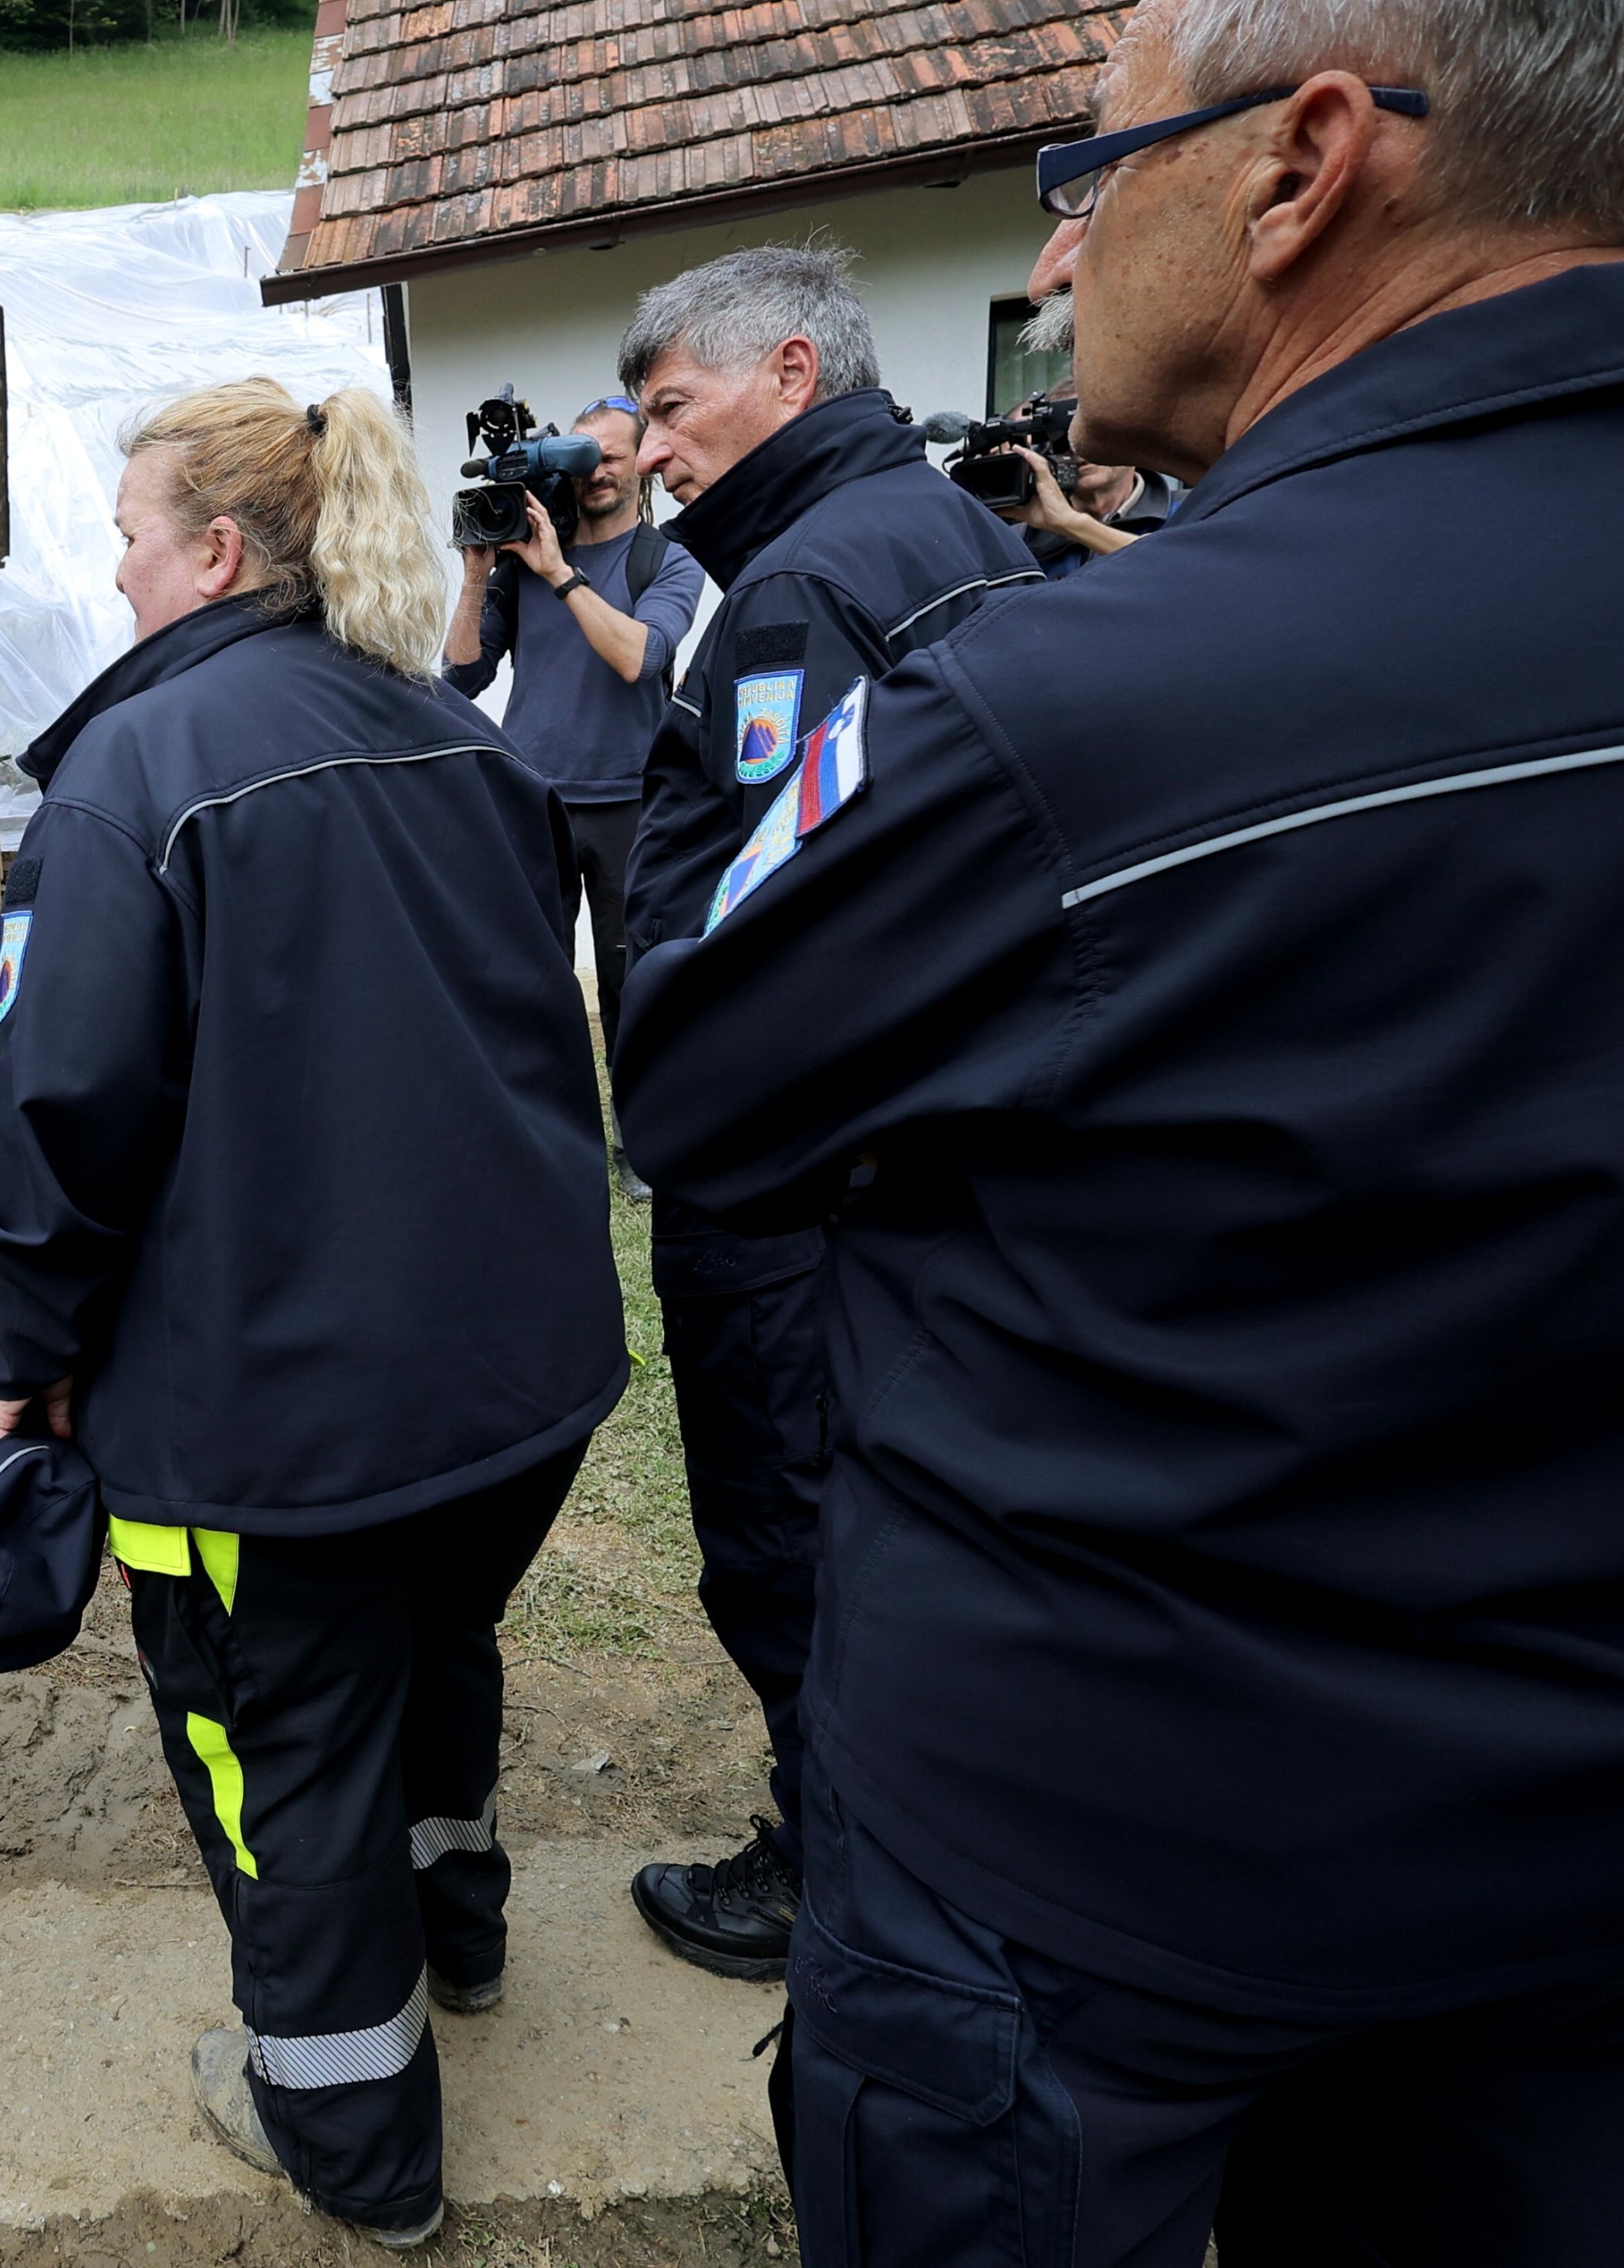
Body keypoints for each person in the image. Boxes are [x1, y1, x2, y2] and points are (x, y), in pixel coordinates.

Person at [615, 0, 1624, 2252]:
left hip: (1095, 1871)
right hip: (1607, 1854)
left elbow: (705, 1060)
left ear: (1302, 168)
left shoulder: (1060, 703)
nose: (1045, 267)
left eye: (1087, 175)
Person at [0, 379, 629, 2249]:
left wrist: (19, 1357)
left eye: (125, 532)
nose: (108, 566)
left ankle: (349, 2138)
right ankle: (461, 1944)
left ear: (220, 552)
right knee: (429, 1657)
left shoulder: (129, 777)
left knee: (287, 1749)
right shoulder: (451, 735)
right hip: (511, 1381)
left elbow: (57, 1120)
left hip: (279, 1421)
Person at [609, 242, 1040, 1986]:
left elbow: (774, 939)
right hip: (932, 1181)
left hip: (800, 1203)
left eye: (668, 406)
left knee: (792, 1546)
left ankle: (836, 1885)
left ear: (789, 374)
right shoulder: (953, 535)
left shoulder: (803, 588)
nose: (645, 453)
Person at [441, 395, 707, 1196]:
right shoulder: (522, 567)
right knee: (538, 980)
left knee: (633, 986)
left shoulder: (665, 560)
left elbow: (640, 657)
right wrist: (480, 574)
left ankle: (639, 1145)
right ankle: (550, 1139)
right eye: (581, 455)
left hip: (634, 801)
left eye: (611, 457)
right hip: (537, 800)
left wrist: (560, 573)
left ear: (638, 466)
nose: (594, 471)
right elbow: (460, 675)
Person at [997, 384, 1185, 576]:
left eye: (1096, 432)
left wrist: (1071, 524)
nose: (1079, 449)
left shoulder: (1191, 511)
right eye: (1062, 436)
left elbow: (1188, 573)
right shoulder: (1018, 540)